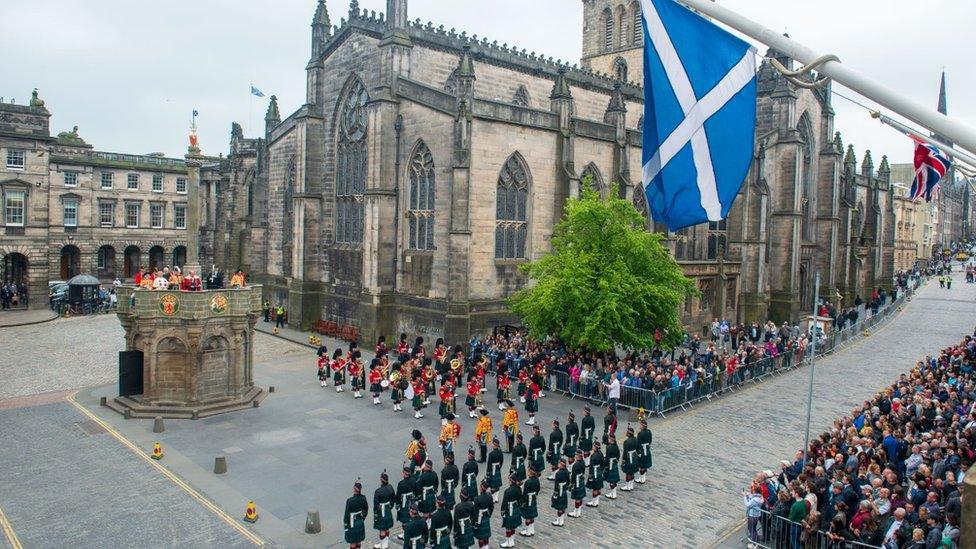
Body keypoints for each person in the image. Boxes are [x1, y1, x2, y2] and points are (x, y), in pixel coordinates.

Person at [372, 471, 396, 549]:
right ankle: (384, 544)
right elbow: (393, 498)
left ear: (381, 480)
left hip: (381, 511)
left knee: (382, 529)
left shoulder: (378, 491)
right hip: (387, 509)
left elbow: (376, 505)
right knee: (387, 527)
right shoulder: (390, 487)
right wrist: (390, 506)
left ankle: (383, 546)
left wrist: (375, 514)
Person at [343, 481, 369, 549]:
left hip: (352, 523)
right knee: (358, 540)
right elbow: (366, 509)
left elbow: (346, 514)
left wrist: (346, 525)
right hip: (360, 520)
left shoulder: (350, 500)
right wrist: (363, 517)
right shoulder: (363, 497)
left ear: (354, 489)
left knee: (353, 542)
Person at [499, 475, 523, 548]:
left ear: (511, 481)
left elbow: (504, 503)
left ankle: (508, 542)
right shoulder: (519, 489)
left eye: (509, 480)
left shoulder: (507, 491)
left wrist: (502, 511)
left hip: (509, 509)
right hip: (515, 508)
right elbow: (520, 500)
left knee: (508, 527)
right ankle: (512, 541)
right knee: (513, 526)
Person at [395, 467, 416, 539]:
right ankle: (411, 532)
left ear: (404, 473)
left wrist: (397, 504)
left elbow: (398, 495)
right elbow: (416, 490)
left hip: (404, 502)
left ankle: (405, 534)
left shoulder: (401, 483)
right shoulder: (413, 480)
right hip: (411, 500)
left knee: (404, 520)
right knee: (411, 517)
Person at [519, 466, 540, 537]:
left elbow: (525, 493)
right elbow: (538, 489)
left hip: (528, 499)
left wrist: (522, 502)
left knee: (528, 516)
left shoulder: (528, 482)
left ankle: (528, 532)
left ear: (530, 472)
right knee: (532, 515)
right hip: (533, 498)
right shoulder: (537, 480)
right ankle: (532, 530)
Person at [473, 480, 494, 548]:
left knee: (481, 537)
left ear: (481, 487)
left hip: (480, 518)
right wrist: (489, 514)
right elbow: (491, 507)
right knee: (486, 535)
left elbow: (475, 512)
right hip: (486, 516)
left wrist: (475, 522)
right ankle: (486, 547)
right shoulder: (490, 496)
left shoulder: (477, 499)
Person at [743, 484, 764, 548]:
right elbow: (752, 497)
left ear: (755, 491)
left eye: (752, 489)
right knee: (753, 529)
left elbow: (748, 504)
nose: (751, 490)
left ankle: (754, 544)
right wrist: (748, 495)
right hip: (756, 515)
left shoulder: (755, 500)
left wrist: (744, 497)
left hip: (752, 516)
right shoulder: (759, 497)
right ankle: (755, 540)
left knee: (751, 529)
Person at [550, 457, 570, 527]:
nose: (558, 464)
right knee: (563, 506)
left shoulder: (558, 473)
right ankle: (561, 520)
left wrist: (555, 494)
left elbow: (556, 485)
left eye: (559, 463)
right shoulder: (567, 471)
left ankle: (559, 520)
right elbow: (568, 481)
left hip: (559, 491)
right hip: (564, 491)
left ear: (561, 464)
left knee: (559, 507)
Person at [586, 441, 604, 507]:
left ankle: (594, 502)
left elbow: (591, 467)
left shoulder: (593, 456)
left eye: (593, 446)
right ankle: (597, 501)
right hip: (599, 472)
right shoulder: (601, 454)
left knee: (595, 488)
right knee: (598, 487)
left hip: (594, 472)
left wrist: (590, 476)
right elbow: (603, 464)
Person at [568, 450, 586, 518]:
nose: (575, 456)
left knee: (577, 498)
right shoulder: (583, 462)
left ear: (578, 456)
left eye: (576, 455)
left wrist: (571, 484)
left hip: (577, 482)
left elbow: (573, 476)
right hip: (581, 480)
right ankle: (579, 511)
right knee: (580, 497)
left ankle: (576, 513)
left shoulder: (575, 465)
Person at [603, 431, 620, 500]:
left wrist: (605, 466)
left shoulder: (609, 447)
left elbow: (607, 458)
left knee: (611, 480)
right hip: (614, 463)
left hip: (610, 464)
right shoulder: (616, 446)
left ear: (610, 439)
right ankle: (614, 493)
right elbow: (618, 455)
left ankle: (613, 494)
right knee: (614, 480)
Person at [621, 426, 639, 492]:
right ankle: (631, 485)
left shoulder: (626, 441)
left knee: (628, 472)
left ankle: (627, 486)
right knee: (632, 472)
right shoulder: (636, 439)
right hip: (634, 456)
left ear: (628, 433)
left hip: (629, 458)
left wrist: (623, 460)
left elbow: (625, 452)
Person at [486, 437, 504, 502]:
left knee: (492, 485)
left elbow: (489, 464)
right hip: (497, 468)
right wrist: (499, 467)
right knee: (497, 485)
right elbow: (501, 461)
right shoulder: (500, 452)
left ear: (494, 444)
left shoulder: (491, 454)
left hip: (492, 469)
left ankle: (493, 499)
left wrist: (488, 472)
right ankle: (496, 498)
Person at [636, 419, 653, 484]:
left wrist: (638, 452)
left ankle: (641, 479)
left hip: (642, 450)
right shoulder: (649, 431)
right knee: (645, 465)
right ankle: (643, 478)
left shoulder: (640, 433)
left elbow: (638, 443)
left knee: (642, 465)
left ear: (642, 425)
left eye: (640, 424)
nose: (639, 426)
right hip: (647, 449)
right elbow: (650, 441)